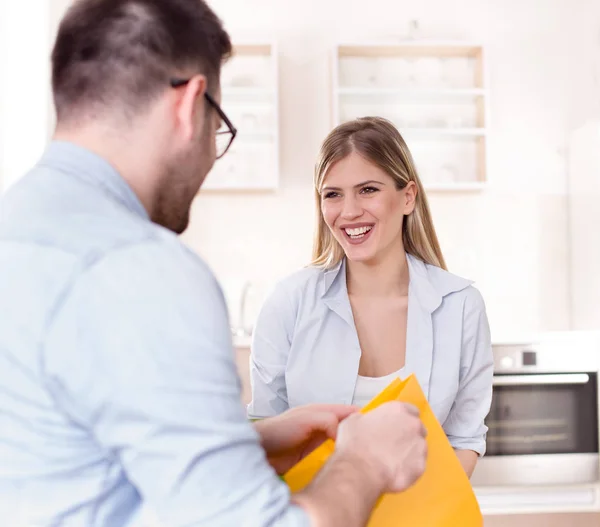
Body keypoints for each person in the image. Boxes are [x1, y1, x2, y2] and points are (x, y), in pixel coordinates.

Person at [0, 2, 429, 526]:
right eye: (218, 127)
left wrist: (244, 442)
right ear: (189, 106)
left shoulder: (17, 228)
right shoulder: (141, 268)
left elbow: (67, 453)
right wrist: (366, 460)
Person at [248, 116, 494, 478]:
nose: (348, 212)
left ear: (407, 196)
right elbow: (266, 434)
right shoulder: (288, 303)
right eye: (333, 194)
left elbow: (464, 437)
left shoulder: (460, 306)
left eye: (367, 190)